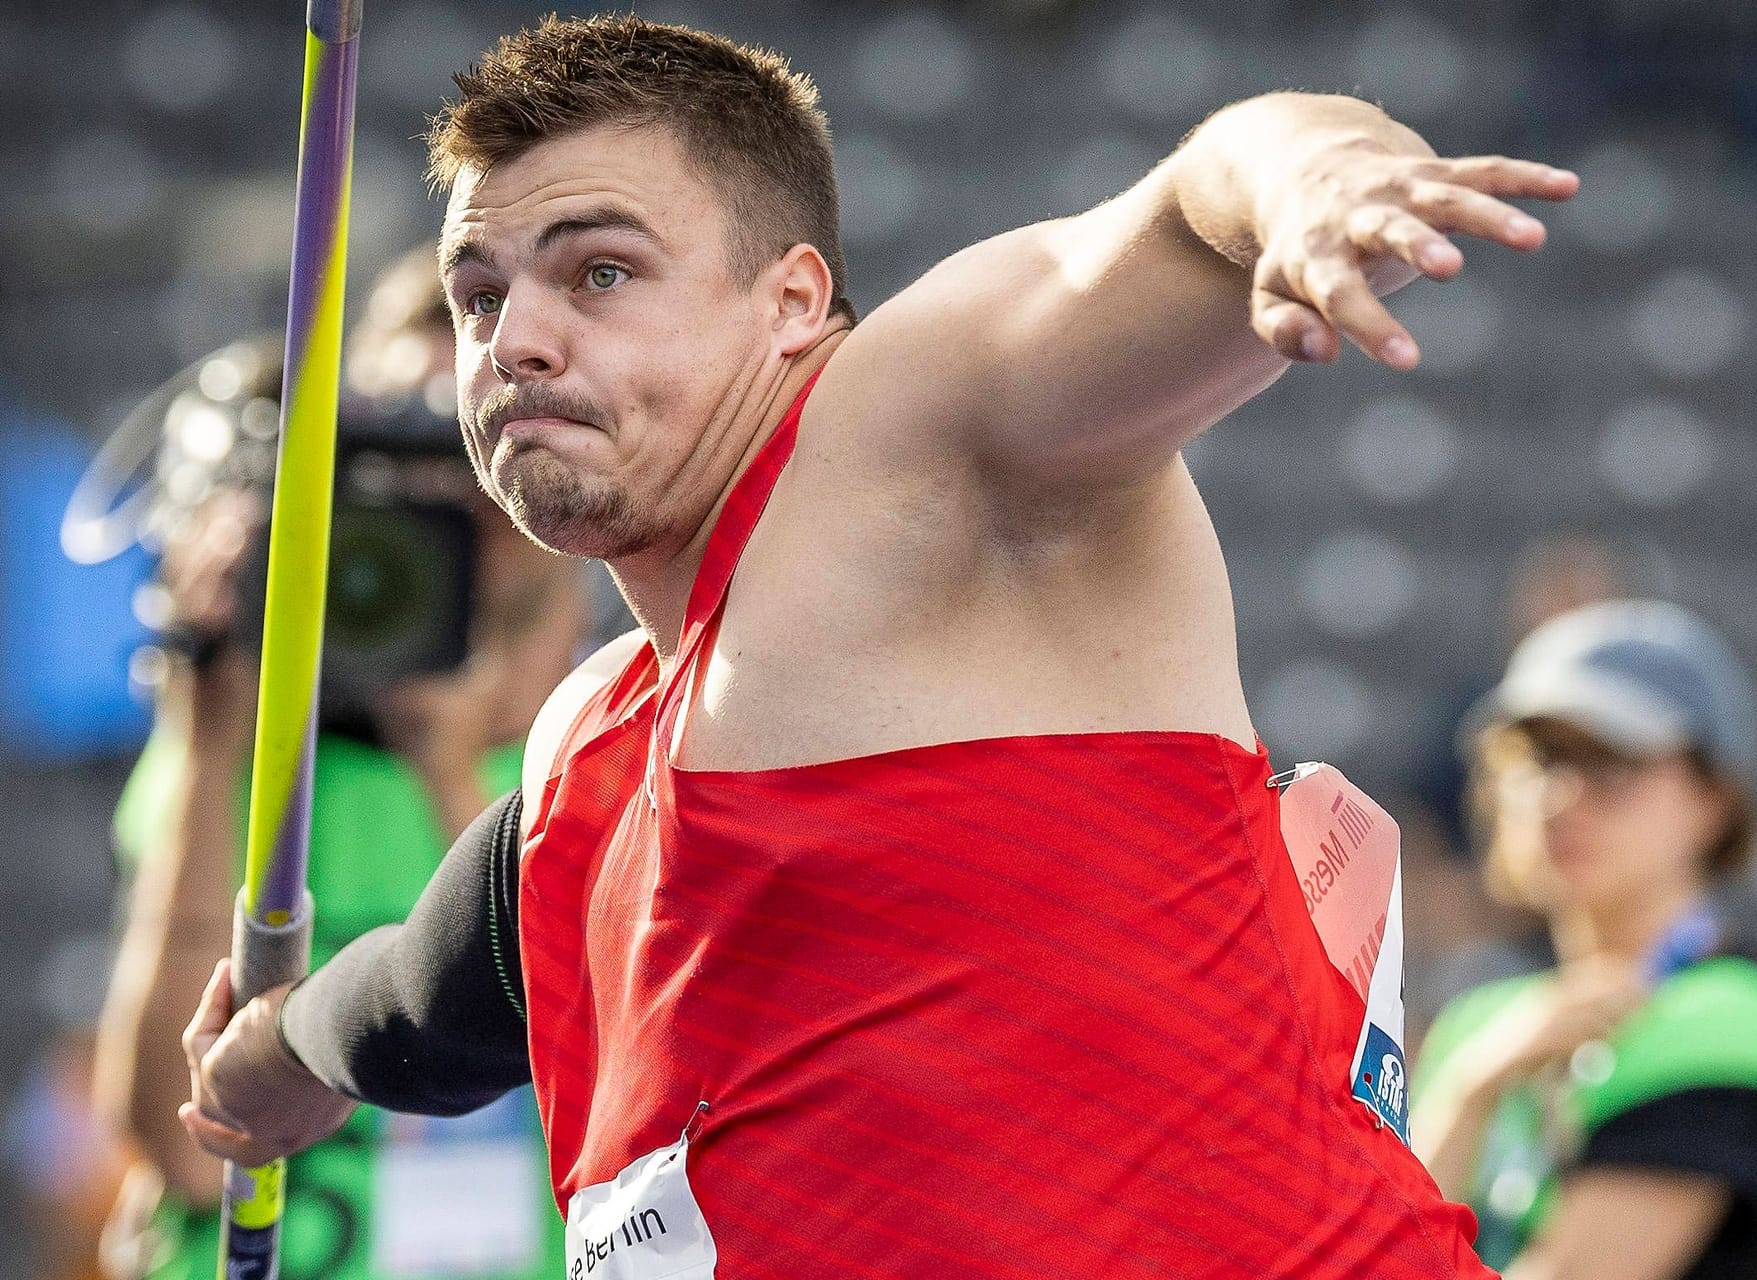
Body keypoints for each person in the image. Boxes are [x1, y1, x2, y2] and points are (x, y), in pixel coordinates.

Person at [177, 15, 1581, 1277]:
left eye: (598, 272)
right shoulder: (592, 746)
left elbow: (1198, 202)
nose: (515, 342)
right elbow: (435, 993)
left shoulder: (899, 442)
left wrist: (1319, 185)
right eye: (479, 294)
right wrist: (277, 1054)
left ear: (794, 299)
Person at [93, 251, 584, 1279]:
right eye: (389, 462)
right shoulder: (262, 756)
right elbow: (179, 1146)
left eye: (466, 452)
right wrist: (209, 730)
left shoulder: (603, 765)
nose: (434, 502)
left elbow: (606, 1084)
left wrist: (455, 777)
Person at [1411, 600, 1757, 1280]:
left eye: (1611, 760)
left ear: (1714, 799)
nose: (1560, 794)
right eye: (1535, 757)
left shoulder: (1735, 1025)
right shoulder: (1483, 1026)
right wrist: (1469, 1088)